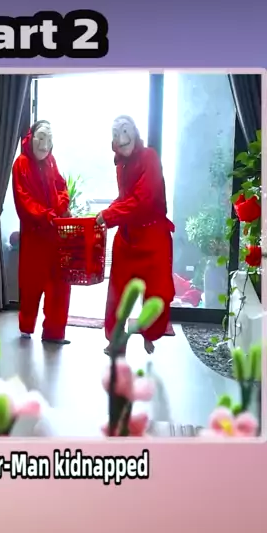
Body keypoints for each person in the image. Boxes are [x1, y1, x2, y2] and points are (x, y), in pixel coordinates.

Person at [97, 115, 175, 355]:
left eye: (125, 130)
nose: (121, 137)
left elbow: (143, 199)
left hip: (153, 236)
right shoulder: (121, 164)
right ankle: (116, 339)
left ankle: (150, 333)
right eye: (116, 133)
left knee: (158, 292)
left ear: (135, 132)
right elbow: (125, 198)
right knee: (116, 293)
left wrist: (109, 215)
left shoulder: (149, 157)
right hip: (127, 236)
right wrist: (106, 214)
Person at [12, 120, 71, 345]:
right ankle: (26, 327)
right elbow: (23, 200)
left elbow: (61, 186)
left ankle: (54, 333)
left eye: (49, 139)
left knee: (60, 284)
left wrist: (60, 207)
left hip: (55, 235)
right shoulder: (21, 164)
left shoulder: (51, 161)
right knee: (31, 284)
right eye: (41, 137)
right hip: (35, 235)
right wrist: (46, 216)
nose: (45, 144)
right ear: (31, 138)